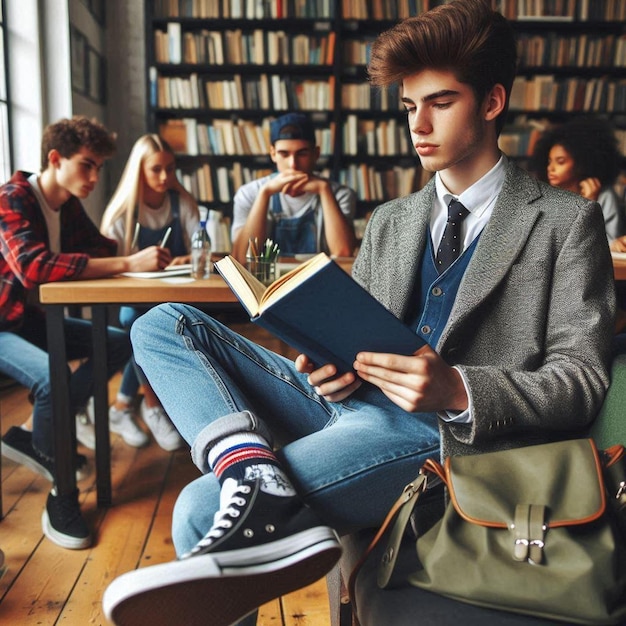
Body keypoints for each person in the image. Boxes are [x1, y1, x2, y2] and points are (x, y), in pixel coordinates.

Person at [102, 2, 615, 624]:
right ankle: (251, 470)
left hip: (444, 436)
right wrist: (325, 365)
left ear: (492, 101)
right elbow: (352, 338)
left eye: (440, 102)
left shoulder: (564, 221)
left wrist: (458, 389)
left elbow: (582, 380)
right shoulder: (392, 221)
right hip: (346, 406)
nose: (417, 124)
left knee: (196, 507)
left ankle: (248, 485)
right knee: (163, 322)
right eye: (407, 107)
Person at [0, 116, 171, 551]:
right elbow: (33, 267)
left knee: (118, 340)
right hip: (3, 321)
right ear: (55, 159)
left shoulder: (66, 205)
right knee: (51, 377)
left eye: (98, 168)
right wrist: (128, 265)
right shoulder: (12, 198)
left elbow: (101, 248)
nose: (95, 177)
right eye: (87, 165)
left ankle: (38, 441)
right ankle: (63, 496)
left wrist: (132, 258)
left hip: (26, 318)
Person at [100, 134, 200, 451]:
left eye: (170, 169)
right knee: (135, 320)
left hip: (178, 296)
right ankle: (153, 404)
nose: (165, 178)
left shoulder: (182, 203)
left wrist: (191, 257)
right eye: (156, 169)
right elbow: (112, 269)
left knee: (148, 323)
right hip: (134, 301)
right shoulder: (122, 214)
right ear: (138, 171)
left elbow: (203, 249)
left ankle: (123, 405)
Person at [230, 112, 357, 262]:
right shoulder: (249, 193)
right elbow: (242, 258)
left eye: (302, 154)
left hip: (319, 282)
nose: (293, 164)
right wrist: (265, 194)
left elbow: (343, 252)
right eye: (284, 154)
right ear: (273, 154)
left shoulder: (340, 194)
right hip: (264, 283)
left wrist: (324, 190)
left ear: (316, 154)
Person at [529, 116, 625, 241]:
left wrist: (589, 207)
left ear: (581, 163)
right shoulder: (546, 196)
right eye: (549, 161)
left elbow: (610, 244)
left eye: (560, 162)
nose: (550, 168)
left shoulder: (604, 196)